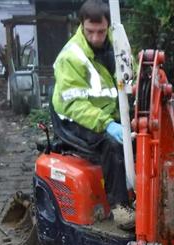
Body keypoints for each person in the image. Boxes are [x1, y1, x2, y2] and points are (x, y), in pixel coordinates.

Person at [52, 0, 133, 227]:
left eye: (101, 32)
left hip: (106, 114)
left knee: (144, 135)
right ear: (81, 25)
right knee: (113, 145)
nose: (96, 37)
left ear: (108, 27)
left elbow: (129, 77)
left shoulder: (117, 47)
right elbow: (75, 105)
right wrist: (107, 124)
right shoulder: (71, 57)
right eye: (90, 32)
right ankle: (120, 207)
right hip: (75, 119)